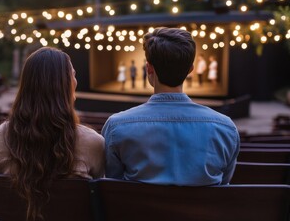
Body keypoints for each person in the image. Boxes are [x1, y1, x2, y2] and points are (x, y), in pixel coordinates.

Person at [0, 47, 105, 221]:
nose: (76, 80)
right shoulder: (93, 142)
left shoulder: (3, 135)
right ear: (66, 84)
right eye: (73, 75)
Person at [102, 27, 240, 186]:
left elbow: (114, 184)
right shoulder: (226, 128)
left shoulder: (116, 127)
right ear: (190, 70)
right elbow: (224, 183)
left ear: (149, 68)